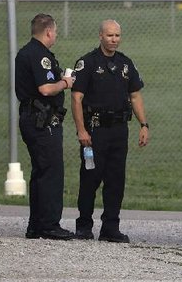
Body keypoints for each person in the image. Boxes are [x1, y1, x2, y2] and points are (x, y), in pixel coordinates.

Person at [70, 20, 149, 243]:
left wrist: (144, 125)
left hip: (119, 130)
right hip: (94, 131)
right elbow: (76, 98)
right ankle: (84, 225)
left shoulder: (126, 64)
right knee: (90, 178)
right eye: (110, 36)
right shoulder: (87, 63)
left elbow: (135, 95)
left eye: (117, 36)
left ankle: (110, 227)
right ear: (100, 36)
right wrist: (81, 130)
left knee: (115, 180)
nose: (114, 39)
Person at [15, 13, 76, 240]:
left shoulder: (24, 52)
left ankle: (36, 225)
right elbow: (45, 89)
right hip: (42, 121)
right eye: (55, 32)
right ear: (49, 31)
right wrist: (65, 82)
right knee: (51, 172)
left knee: (40, 172)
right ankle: (50, 225)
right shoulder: (41, 56)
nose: (56, 36)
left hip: (30, 118)